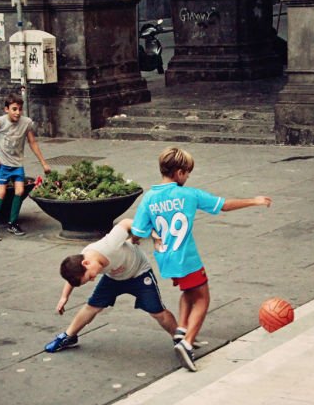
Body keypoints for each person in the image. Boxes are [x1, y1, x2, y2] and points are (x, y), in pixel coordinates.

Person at [131, 147, 272, 372]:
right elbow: (223, 205)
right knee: (203, 299)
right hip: (188, 259)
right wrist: (254, 201)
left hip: (166, 259)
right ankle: (186, 345)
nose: (188, 177)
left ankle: (181, 330)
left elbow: (137, 232)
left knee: (188, 292)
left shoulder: (149, 198)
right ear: (178, 173)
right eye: (187, 173)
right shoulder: (189, 195)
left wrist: (144, 237)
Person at [44, 218, 178, 353]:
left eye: (90, 277)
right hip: (114, 278)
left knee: (157, 311)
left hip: (139, 273)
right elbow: (72, 275)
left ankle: (180, 339)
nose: (92, 280)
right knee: (91, 307)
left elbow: (126, 222)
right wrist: (64, 297)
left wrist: (150, 233)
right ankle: (69, 336)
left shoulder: (109, 245)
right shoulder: (80, 263)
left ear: (86, 263)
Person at [0, 93, 50, 241]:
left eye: (20, 109)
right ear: (6, 109)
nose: (18, 112)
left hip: (17, 163)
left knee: (20, 191)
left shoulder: (26, 123)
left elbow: (32, 143)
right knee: (1, 193)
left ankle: (13, 223)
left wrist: (44, 163)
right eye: (14, 109)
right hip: (2, 164)